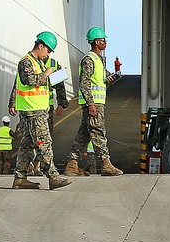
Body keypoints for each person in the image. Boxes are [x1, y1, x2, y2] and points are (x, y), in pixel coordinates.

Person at [11, 31, 71, 190]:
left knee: (27, 146)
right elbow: (28, 80)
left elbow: (45, 84)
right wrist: (46, 74)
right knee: (44, 143)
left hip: (37, 110)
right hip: (32, 111)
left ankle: (20, 178)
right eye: (48, 50)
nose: (48, 54)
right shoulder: (26, 62)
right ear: (40, 45)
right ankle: (53, 177)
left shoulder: (38, 62)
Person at [65, 26, 123, 176]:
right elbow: (84, 83)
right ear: (97, 42)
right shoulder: (89, 59)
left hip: (96, 103)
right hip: (94, 105)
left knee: (83, 136)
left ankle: (72, 165)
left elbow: (98, 82)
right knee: (98, 132)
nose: (105, 43)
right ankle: (106, 164)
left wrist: (110, 79)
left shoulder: (98, 60)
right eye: (103, 40)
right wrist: (91, 103)